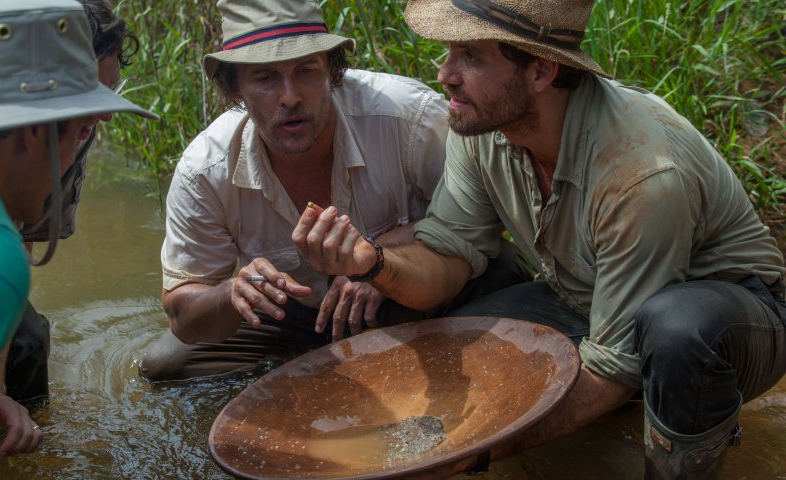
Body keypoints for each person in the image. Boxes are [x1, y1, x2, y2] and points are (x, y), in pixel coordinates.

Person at [292, 0, 786, 477]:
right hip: (584, 299)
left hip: (731, 319)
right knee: (459, 346)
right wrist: (375, 263)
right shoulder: (482, 127)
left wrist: (466, 456)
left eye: (471, 56)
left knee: (677, 329)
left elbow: (612, 369)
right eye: (449, 53)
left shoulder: (639, 173)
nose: (445, 74)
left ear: (541, 71)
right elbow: (447, 256)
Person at [138, 0, 451, 382]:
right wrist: (234, 293)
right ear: (234, 87)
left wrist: (382, 263)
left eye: (306, 71)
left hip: (409, 291)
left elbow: (479, 221)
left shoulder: (410, 119)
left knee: (495, 286)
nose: (290, 97)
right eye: (265, 78)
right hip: (293, 313)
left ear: (332, 70)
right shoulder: (205, 169)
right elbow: (182, 313)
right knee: (166, 364)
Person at [0, 0, 156, 457]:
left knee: (26, 340)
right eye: (87, 105)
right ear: (33, 127)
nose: (102, 118)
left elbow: (19, 228)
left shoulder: (57, 135)